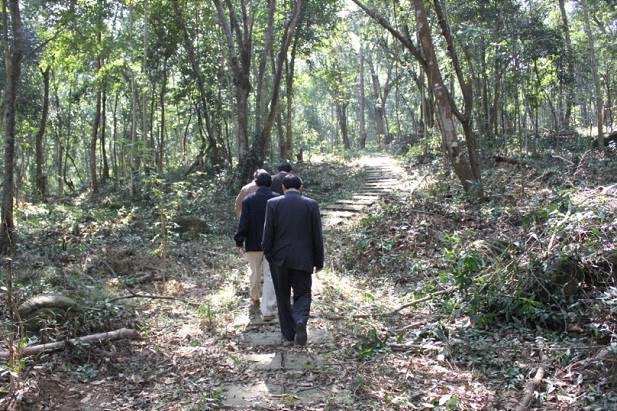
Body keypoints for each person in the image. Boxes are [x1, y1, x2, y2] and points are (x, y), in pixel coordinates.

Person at [262, 174, 324, 346]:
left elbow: (268, 234)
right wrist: (319, 261)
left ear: (282, 188)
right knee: (303, 293)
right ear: (301, 188)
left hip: (279, 259)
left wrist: (268, 254)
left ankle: (288, 335)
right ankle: (300, 319)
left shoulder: (273, 204)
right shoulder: (311, 205)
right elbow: (317, 236)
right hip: (304, 258)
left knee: (282, 296)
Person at [234, 171, 280, 321]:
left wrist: (239, 240)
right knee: (269, 275)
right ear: (270, 184)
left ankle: (254, 296)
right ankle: (267, 309)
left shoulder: (248, 199)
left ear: (257, 184)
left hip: (253, 242)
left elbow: (244, 222)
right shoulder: (277, 199)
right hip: (272, 243)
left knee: (255, 272)